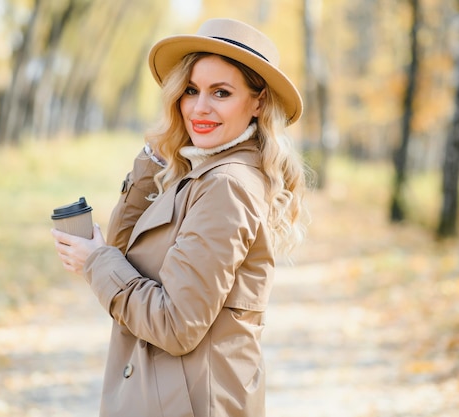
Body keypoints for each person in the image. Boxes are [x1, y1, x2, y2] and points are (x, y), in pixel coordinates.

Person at [51, 17, 308, 417]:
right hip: (166, 395)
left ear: (258, 103)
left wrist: (95, 261)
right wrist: (158, 153)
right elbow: (124, 252)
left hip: (185, 403)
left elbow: (176, 325)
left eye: (221, 92)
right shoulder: (200, 172)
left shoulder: (227, 185)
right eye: (190, 90)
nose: (199, 107)